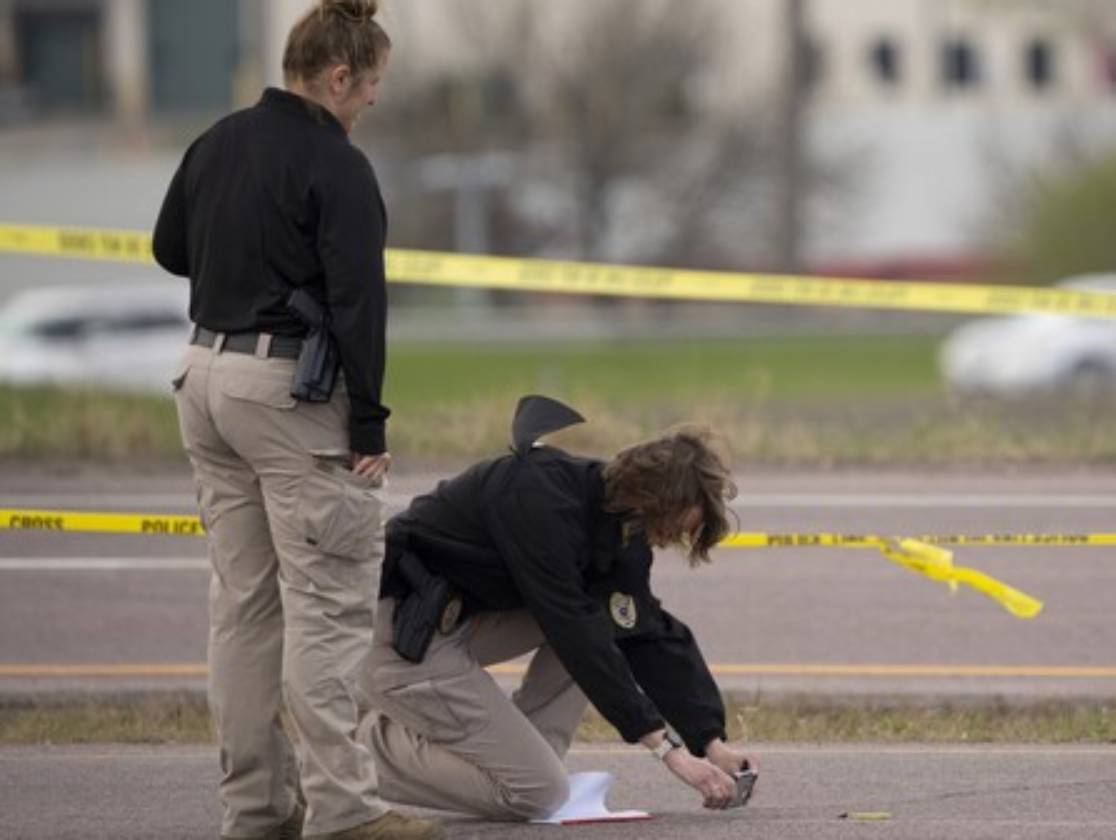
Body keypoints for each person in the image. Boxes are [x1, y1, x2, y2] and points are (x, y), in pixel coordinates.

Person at [154, 2, 442, 838]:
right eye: (372, 82)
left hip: (203, 377)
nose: (374, 99)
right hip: (288, 396)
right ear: (339, 76)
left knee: (244, 610)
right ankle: (345, 811)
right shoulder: (337, 164)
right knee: (326, 606)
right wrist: (370, 426)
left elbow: (169, 249)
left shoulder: (216, 141)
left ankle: (255, 810)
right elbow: (359, 305)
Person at [354, 396, 759, 821]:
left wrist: (710, 742)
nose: (672, 539)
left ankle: (525, 756)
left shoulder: (620, 522)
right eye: (676, 526)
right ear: (656, 499)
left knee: (604, 625)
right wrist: (667, 751)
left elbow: (643, 629)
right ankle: (349, 754)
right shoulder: (538, 498)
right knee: (536, 794)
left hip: (451, 624)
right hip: (400, 639)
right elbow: (571, 626)